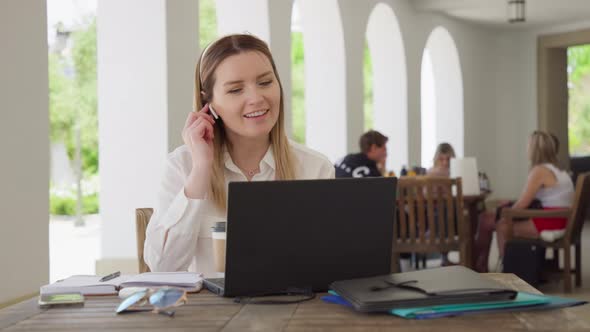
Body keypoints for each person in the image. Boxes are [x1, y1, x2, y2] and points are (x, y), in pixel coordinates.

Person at [143, 34, 335, 275]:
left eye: (265, 82)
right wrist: (201, 168)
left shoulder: (315, 168)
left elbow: (326, 267)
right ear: (208, 102)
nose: (256, 98)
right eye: (235, 89)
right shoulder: (182, 165)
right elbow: (162, 267)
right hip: (207, 312)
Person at [474, 131, 574, 272]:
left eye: (528, 146)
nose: (527, 149)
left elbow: (522, 205)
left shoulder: (539, 170)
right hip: (560, 218)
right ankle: (487, 265)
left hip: (550, 220)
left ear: (534, 149)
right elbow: (534, 199)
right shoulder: (558, 169)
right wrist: (510, 206)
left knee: (502, 225)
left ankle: (507, 270)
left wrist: (506, 212)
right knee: (495, 218)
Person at [426, 143, 456, 266]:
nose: (444, 163)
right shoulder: (449, 174)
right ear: (436, 159)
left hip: (437, 217)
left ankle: (444, 256)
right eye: (441, 159)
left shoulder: (428, 173)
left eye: (448, 159)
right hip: (438, 216)